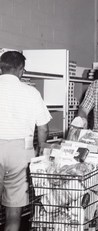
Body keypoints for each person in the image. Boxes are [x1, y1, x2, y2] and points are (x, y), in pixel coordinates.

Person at [0, 51, 51, 231]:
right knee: (14, 214)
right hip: (21, 151)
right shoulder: (31, 92)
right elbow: (43, 127)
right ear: (21, 70)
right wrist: (41, 147)